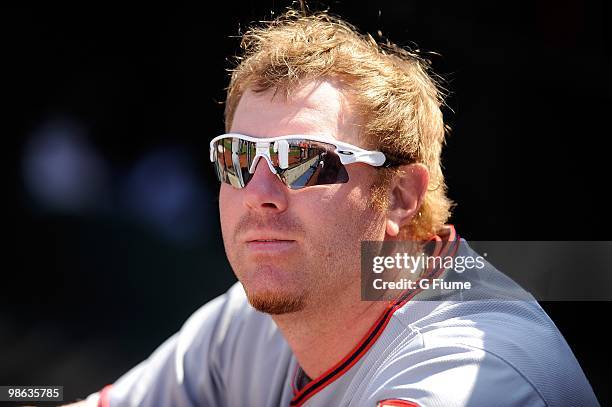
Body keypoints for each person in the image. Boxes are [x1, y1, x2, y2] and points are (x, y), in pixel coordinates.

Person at [69, 8, 599, 407]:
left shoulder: (471, 366)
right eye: (237, 158)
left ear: (400, 196)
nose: (260, 193)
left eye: (304, 160)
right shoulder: (256, 316)